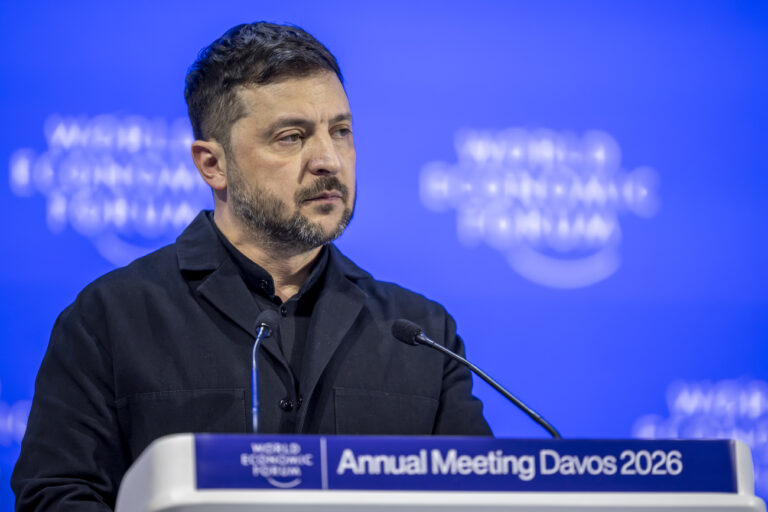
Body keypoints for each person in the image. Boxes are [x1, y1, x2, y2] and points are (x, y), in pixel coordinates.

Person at [12, 22, 491, 510]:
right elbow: (56, 495)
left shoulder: (422, 334)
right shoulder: (111, 319)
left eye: (341, 131)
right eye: (291, 137)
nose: (329, 160)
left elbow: (480, 497)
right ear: (212, 165)